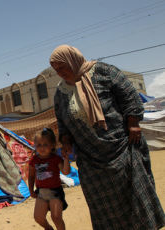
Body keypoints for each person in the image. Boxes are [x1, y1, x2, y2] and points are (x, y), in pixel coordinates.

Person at [50, 44, 165, 230]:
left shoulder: (103, 71)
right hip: (91, 160)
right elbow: (61, 120)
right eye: (56, 69)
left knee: (134, 197)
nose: (59, 72)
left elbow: (129, 95)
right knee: (104, 209)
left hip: (122, 148)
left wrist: (134, 123)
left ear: (73, 60)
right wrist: (65, 140)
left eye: (62, 67)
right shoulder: (60, 92)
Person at [28, 128, 71, 230]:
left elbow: (66, 172)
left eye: (45, 144)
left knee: (56, 217)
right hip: (41, 193)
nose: (42, 147)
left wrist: (66, 159)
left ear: (52, 145)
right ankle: (48, 228)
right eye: (39, 145)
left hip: (55, 193)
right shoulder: (34, 160)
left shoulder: (55, 159)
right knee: (38, 217)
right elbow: (31, 176)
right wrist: (31, 190)